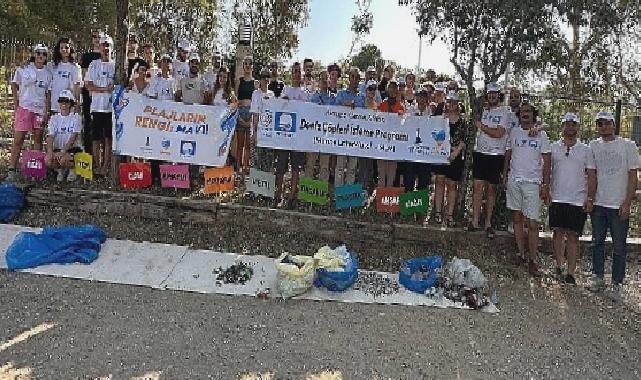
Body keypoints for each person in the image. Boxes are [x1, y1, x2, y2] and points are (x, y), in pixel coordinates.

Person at [587, 111, 640, 298]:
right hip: (600, 204)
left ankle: (617, 283)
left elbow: (633, 175)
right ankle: (598, 276)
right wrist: (590, 199)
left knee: (619, 246)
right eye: (600, 124)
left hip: (618, 204)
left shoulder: (628, 145)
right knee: (597, 242)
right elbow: (591, 175)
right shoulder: (593, 146)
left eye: (607, 123)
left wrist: (627, 202)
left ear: (614, 124)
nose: (604, 127)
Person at [502, 102, 551, 276]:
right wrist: (505, 174)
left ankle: (533, 259)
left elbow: (547, 160)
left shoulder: (541, 135)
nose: (525, 114)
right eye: (522, 111)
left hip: (533, 182)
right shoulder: (514, 132)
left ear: (533, 114)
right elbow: (508, 153)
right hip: (515, 180)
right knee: (517, 218)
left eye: (528, 111)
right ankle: (521, 254)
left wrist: (546, 184)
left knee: (532, 223)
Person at [549, 113, 595, 285]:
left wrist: (590, 198)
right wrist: (546, 190)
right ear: (562, 127)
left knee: (574, 237)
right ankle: (559, 266)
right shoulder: (554, 147)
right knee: (557, 234)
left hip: (577, 198)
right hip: (557, 196)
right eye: (567, 124)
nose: (570, 127)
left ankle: (570, 273)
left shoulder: (586, 149)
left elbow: (591, 174)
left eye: (573, 124)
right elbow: (547, 169)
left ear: (578, 127)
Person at [6, 43, 53, 181]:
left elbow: (48, 93)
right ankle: (11, 169)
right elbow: (14, 84)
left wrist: (46, 111)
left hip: (39, 110)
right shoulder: (24, 68)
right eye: (38, 53)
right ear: (34, 54)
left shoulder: (48, 74)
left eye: (44, 54)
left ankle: (34, 170)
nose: (40, 56)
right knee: (18, 139)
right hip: (25, 108)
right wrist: (16, 103)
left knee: (37, 139)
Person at [469, 82, 510, 238]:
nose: (492, 96)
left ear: (498, 95)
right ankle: (474, 221)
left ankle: (488, 223)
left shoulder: (504, 112)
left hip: (496, 155)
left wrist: (482, 126)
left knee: (491, 190)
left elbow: (499, 133)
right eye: (489, 93)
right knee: (477, 187)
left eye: (495, 93)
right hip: (480, 153)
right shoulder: (483, 110)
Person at [275, 62, 308, 206]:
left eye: (298, 71)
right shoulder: (285, 89)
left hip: (298, 137)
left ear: (300, 75)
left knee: (295, 168)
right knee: (281, 166)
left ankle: (292, 196)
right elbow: (278, 106)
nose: (296, 74)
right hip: (284, 135)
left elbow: (307, 112)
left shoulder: (304, 93)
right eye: (294, 71)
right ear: (291, 73)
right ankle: (278, 194)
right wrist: (284, 101)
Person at [431, 92, 466, 226]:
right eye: (449, 101)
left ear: (458, 104)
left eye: (454, 102)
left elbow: (464, 140)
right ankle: (438, 212)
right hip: (440, 155)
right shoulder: (440, 118)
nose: (451, 104)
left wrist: (455, 152)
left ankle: (449, 214)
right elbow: (434, 135)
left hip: (455, 157)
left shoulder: (462, 121)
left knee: (452, 185)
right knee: (439, 182)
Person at [84, 35, 115, 177]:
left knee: (109, 138)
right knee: (95, 138)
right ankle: (96, 166)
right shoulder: (93, 64)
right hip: (96, 107)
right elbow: (88, 85)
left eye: (108, 45)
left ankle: (106, 166)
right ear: (99, 47)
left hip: (111, 109)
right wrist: (103, 90)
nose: (106, 48)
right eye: (103, 45)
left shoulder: (115, 65)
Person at [334, 67, 364, 187]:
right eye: (353, 76)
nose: (355, 79)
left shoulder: (362, 97)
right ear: (349, 78)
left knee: (352, 168)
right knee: (340, 167)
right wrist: (346, 104)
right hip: (342, 135)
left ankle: (347, 199)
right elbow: (333, 109)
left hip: (356, 136)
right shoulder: (341, 94)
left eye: (358, 78)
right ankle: (338, 194)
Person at [45, 90, 81, 182]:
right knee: (48, 160)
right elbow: (50, 136)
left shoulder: (76, 117)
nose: (63, 104)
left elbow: (73, 138)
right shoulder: (54, 118)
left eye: (66, 102)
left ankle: (73, 169)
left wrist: (63, 151)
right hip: (58, 149)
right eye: (61, 102)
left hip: (73, 149)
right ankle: (60, 170)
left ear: (70, 104)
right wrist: (49, 152)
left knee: (63, 159)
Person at [306, 70, 335, 182]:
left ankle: (321, 195)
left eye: (326, 78)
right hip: (313, 135)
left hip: (327, 136)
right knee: (310, 164)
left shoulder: (333, 98)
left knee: (324, 166)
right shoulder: (313, 97)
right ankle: (307, 194)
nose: (324, 81)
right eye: (321, 79)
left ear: (329, 81)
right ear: (318, 81)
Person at [377, 80, 404, 187]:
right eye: (391, 87)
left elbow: (404, 125)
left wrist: (402, 117)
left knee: (392, 171)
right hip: (382, 141)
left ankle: (388, 193)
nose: (393, 90)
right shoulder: (382, 105)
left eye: (395, 88)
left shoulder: (401, 107)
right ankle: (381, 193)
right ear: (388, 89)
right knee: (382, 170)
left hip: (394, 143)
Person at [79, 30, 102, 153]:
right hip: (89, 95)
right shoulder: (87, 57)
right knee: (88, 125)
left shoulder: (106, 56)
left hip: (103, 97)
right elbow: (84, 77)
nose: (97, 39)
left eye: (99, 37)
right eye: (95, 37)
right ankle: (88, 155)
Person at [249, 68, 275, 173]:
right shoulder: (256, 93)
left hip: (269, 134)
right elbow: (255, 114)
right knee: (256, 162)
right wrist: (254, 133)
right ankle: (254, 188)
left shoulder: (272, 94)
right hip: (258, 132)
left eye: (267, 77)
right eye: (263, 77)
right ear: (260, 79)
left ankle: (265, 188)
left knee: (267, 163)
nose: (265, 79)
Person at [48, 37, 81, 116]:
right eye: (61, 48)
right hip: (55, 105)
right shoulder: (52, 65)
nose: (64, 50)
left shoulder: (75, 67)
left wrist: (77, 103)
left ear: (71, 49)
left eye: (66, 47)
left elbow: (77, 86)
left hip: (68, 106)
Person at [357, 79, 379, 190]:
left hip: (372, 141)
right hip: (361, 140)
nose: (372, 91)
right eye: (370, 89)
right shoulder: (361, 102)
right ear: (366, 90)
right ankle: (359, 193)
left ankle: (365, 192)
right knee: (362, 168)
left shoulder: (377, 105)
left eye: (374, 89)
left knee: (370, 168)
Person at [234, 56, 255, 173]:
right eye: (245, 63)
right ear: (243, 66)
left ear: (252, 66)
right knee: (240, 144)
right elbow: (236, 100)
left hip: (251, 115)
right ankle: (238, 169)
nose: (247, 65)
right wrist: (239, 116)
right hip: (240, 114)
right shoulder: (239, 81)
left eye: (250, 63)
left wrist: (251, 119)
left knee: (248, 145)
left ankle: (246, 169)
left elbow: (256, 102)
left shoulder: (255, 83)